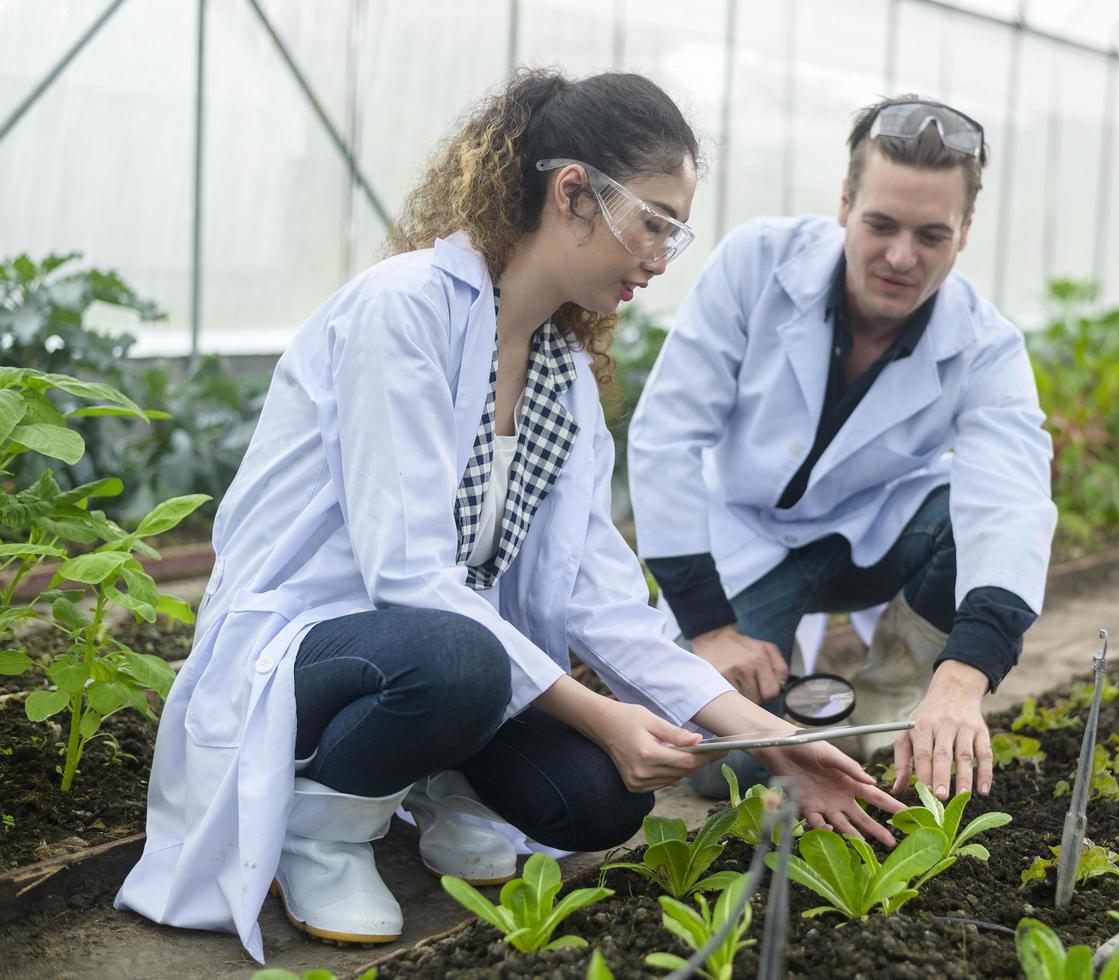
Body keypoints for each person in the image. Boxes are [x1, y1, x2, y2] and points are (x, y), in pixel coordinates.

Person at [115, 70, 901, 964]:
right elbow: (405, 576)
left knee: (601, 800)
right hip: (316, 647)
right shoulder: (404, 309)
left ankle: (431, 774)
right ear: (573, 193)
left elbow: (598, 599)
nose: (660, 255)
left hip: (447, 662)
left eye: (675, 232)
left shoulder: (560, 373)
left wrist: (767, 737)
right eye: (655, 220)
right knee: (460, 659)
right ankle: (321, 825)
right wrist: (599, 714)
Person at [627, 96, 1056, 806]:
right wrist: (709, 630)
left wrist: (961, 678)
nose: (899, 257)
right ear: (845, 203)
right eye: (880, 225)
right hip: (745, 534)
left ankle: (891, 704)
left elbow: (1010, 505)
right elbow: (667, 434)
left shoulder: (985, 345)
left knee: (964, 514)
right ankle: (796, 697)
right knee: (716, 765)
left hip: (872, 537)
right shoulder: (756, 264)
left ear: (965, 230)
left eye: (930, 236)